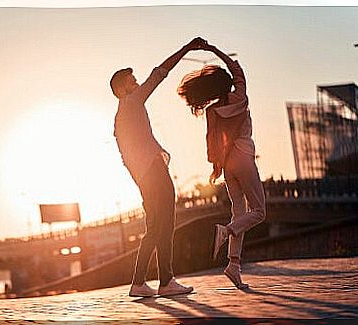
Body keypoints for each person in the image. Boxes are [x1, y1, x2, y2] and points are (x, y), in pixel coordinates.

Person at [110, 37, 206, 297]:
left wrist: (140, 177)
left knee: (154, 228)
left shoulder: (119, 119)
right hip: (152, 172)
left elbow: (124, 156)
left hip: (144, 177)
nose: (138, 83)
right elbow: (159, 74)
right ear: (122, 90)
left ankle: (140, 283)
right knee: (165, 224)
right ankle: (166, 281)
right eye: (132, 82)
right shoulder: (132, 103)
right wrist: (186, 48)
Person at [177, 41, 266, 290]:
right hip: (244, 156)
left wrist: (216, 166)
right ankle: (225, 231)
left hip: (227, 164)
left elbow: (211, 141)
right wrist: (213, 50)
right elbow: (236, 68)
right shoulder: (240, 97)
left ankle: (233, 265)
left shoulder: (213, 110)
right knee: (258, 212)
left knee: (240, 212)